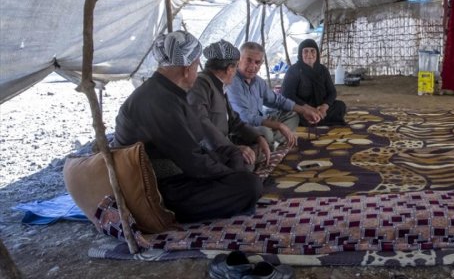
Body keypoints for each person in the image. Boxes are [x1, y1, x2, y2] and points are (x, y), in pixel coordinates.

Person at [114, 31, 262, 223]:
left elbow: (196, 145)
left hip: (181, 170)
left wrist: (227, 159)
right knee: (249, 185)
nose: (197, 71)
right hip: (158, 190)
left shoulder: (168, 93)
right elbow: (193, 161)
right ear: (186, 68)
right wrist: (230, 175)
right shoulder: (158, 101)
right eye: (196, 65)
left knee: (232, 156)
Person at [187, 40, 271, 171]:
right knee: (245, 163)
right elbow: (202, 126)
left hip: (225, 143)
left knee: (262, 137)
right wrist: (233, 149)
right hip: (211, 150)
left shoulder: (220, 85)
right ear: (229, 69)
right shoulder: (201, 85)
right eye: (236, 67)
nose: (236, 71)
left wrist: (257, 137)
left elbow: (234, 121)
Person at [227, 42, 321, 150]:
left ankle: (272, 142)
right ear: (239, 59)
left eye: (257, 62)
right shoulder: (232, 81)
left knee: (293, 115)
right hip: (242, 126)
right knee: (265, 132)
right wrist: (279, 126)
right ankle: (272, 141)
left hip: (261, 120)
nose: (253, 66)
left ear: (261, 63)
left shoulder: (258, 81)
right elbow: (244, 117)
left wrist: (303, 110)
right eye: (249, 60)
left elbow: (277, 100)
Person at [281, 39, 347, 126]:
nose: (309, 54)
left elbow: (332, 92)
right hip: (303, 109)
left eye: (312, 51)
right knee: (292, 114)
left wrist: (324, 107)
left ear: (317, 53)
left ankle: (315, 119)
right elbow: (288, 94)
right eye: (305, 51)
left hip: (321, 108)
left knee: (340, 106)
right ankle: (319, 119)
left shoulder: (323, 70)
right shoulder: (294, 70)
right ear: (301, 54)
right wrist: (308, 109)